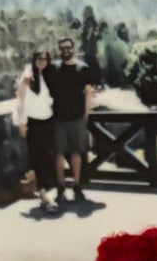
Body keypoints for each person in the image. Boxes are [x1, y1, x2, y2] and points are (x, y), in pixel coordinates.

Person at [46, 34, 98, 208]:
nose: (66, 51)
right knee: (59, 153)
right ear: (59, 50)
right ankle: (61, 187)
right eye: (62, 48)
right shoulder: (53, 69)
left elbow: (88, 92)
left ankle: (76, 185)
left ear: (73, 48)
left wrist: (86, 116)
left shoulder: (82, 68)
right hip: (58, 118)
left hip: (77, 118)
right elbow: (39, 81)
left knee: (77, 152)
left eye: (68, 47)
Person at [13, 46, 55, 214]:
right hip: (34, 124)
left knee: (49, 159)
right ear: (34, 60)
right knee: (39, 160)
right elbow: (20, 101)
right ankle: (45, 197)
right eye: (39, 59)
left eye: (44, 59)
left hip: (48, 123)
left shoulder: (49, 76)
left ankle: (46, 194)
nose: (41, 62)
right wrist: (22, 123)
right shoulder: (27, 77)